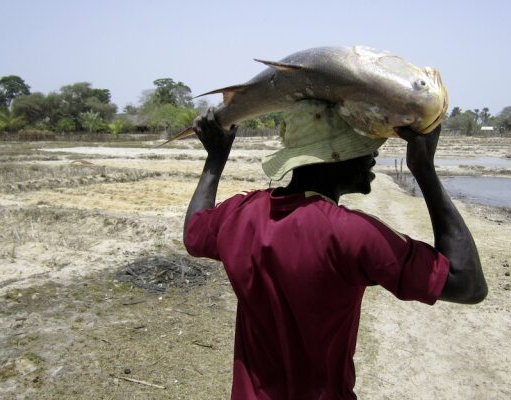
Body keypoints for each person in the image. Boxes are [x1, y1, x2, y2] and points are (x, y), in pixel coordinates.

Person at [183, 100, 487, 400]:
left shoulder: (241, 212)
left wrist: (215, 160)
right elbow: (467, 284)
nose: (373, 157)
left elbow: (194, 234)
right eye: (364, 148)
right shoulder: (351, 233)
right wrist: (425, 172)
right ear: (334, 157)